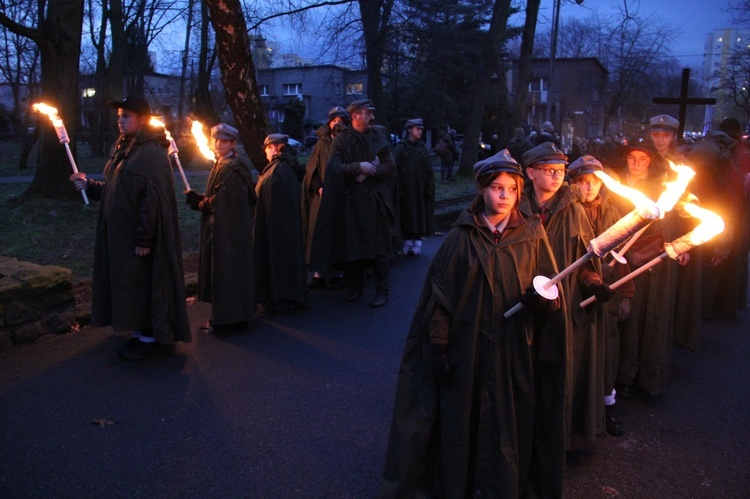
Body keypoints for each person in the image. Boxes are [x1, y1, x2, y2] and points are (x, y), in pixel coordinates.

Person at [379, 150, 567, 498]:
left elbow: (552, 296)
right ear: (482, 190)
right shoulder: (461, 237)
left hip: (513, 353)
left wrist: (542, 300)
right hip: (466, 351)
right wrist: (438, 345)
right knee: (463, 422)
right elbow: (441, 299)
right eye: (497, 187)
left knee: (505, 423)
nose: (504, 196)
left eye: (512, 189)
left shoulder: (532, 235)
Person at [70, 95, 190, 360]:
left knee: (142, 285)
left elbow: (152, 201)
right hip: (121, 237)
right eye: (119, 116)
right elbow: (119, 190)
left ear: (143, 120)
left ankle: (149, 339)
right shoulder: (127, 147)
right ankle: (138, 335)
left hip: (138, 238)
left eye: (126, 116)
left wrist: (144, 239)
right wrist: (89, 185)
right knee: (129, 285)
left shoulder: (151, 154)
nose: (120, 121)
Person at [520, 142, 614, 441]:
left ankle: (558, 435)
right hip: (523, 302)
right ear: (531, 173)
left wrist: (594, 283)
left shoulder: (574, 211)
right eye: (549, 171)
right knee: (523, 368)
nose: (557, 176)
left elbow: (583, 261)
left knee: (558, 368)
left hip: (562, 306)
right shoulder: (516, 209)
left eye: (561, 170)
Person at [611, 139, 683, 400]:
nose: (637, 163)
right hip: (615, 257)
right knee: (619, 317)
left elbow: (667, 225)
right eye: (633, 158)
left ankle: (639, 375)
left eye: (643, 159)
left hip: (644, 261)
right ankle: (619, 376)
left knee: (642, 316)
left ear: (650, 161)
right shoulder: (615, 187)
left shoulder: (659, 190)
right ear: (626, 159)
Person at [568, 155, 633, 436]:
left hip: (607, 294)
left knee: (607, 350)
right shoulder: (568, 213)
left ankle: (607, 405)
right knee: (580, 353)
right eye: (582, 181)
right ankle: (577, 411)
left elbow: (624, 257)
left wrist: (627, 293)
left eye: (594, 181)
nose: (589, 187)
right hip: (575, 292)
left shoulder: (613, 213)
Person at [310, 98, 396, 308]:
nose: (372, 117)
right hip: (353, 201)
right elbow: (333, 169)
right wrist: (359, 166)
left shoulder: (378, 137)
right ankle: (356, 287)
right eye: (368, 112)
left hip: (375, 200)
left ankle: (382, 290)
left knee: (379, 248)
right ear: (356, 114)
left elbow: (390, 167)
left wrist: (369, 172)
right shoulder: (342, 141)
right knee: (354, 247)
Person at [185, 123, 256, 332]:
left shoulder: (232, 167)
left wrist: (199, 204)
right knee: (227, 270)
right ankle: (233, 315)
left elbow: (223, 201)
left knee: (227, 271)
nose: (218, 144)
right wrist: (198, 198)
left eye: (224, 141)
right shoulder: (222, 163)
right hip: (223, 225)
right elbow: (216, 196)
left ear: (233, 144)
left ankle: (228, 319)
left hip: (228, 229)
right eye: (216, 140)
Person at [254, 133, 308, 311]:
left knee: (281, 259)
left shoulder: (281, 169)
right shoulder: (279, 166)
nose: (265, 153)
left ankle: (284, 296)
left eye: (267, 148)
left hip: (279, 225)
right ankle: (281, 295)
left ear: (275, 147)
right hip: (279, 223)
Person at [302, 106, 349, 289]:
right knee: (319, 233)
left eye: (341, 120)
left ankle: (338, 271)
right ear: (329, 123)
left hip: (342, 196)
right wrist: (318, 187)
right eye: (334, 120)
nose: (337, 123)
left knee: (339, 233)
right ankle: (319, 272)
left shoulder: (347, 142)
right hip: (322, 196)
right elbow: (311, 169)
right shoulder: (322, 143)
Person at [393, 118, 434, 256]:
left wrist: (428, 187)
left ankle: (417, 241)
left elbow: (428, 170)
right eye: (417, 129)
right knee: (406, 214)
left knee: (419, 214)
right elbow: (395, 169)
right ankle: (407, 241)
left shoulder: (422, 149)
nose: (420, 132)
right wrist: (399, 189)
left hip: (420, 188)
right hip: (406, 188)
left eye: (421, 129)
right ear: (410, 130)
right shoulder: (401, 148)